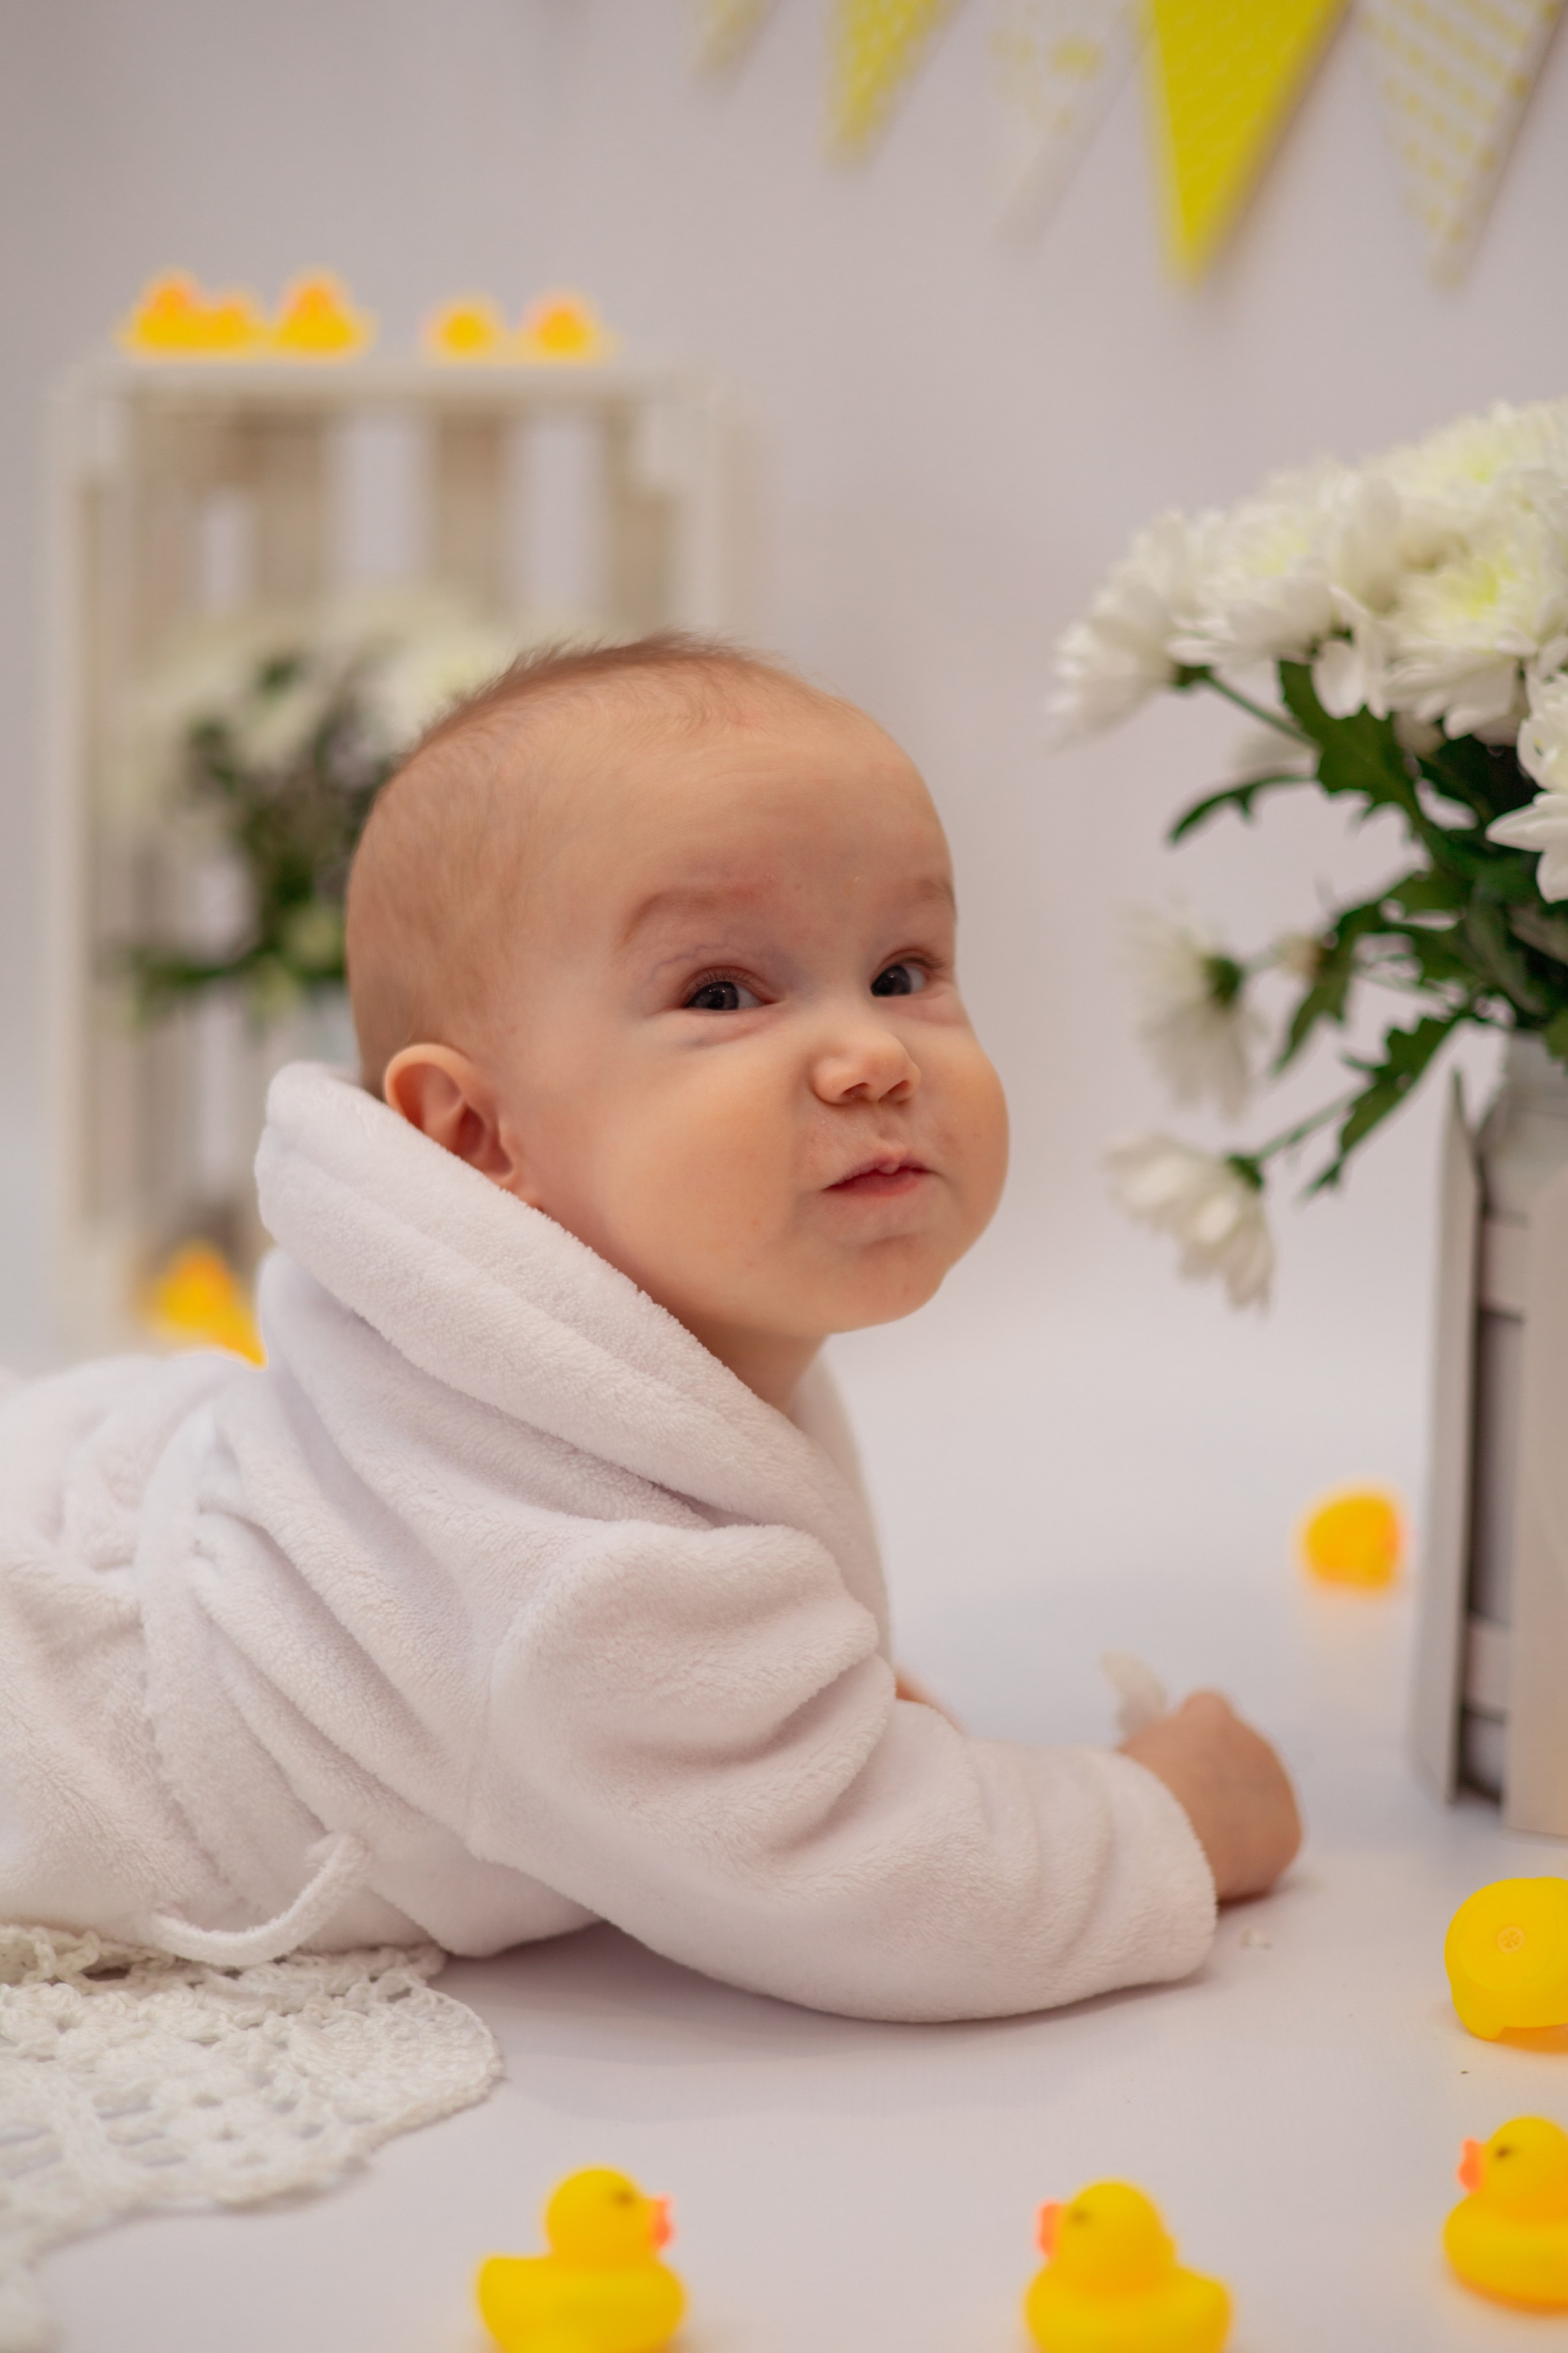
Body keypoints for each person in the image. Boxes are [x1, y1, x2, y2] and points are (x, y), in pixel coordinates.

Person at [0, 635, 1298, 2020]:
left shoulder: (596, 1404)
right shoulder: (570, 1576)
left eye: (904, 968)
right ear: (478, 1135)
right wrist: (1158, 1819)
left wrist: (802, 1714)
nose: (871, 1055)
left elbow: (718, 1707)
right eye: (723, 994)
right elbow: (879, 1886)